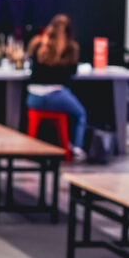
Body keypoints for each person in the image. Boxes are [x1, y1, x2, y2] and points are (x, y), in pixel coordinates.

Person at [26, 14, 88, 161]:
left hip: (33, 98)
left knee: (66, 95)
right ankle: (77, 148)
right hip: (55, 96)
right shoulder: (70, 48)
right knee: (80, 114)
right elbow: (71, 73)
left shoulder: (37, 44)